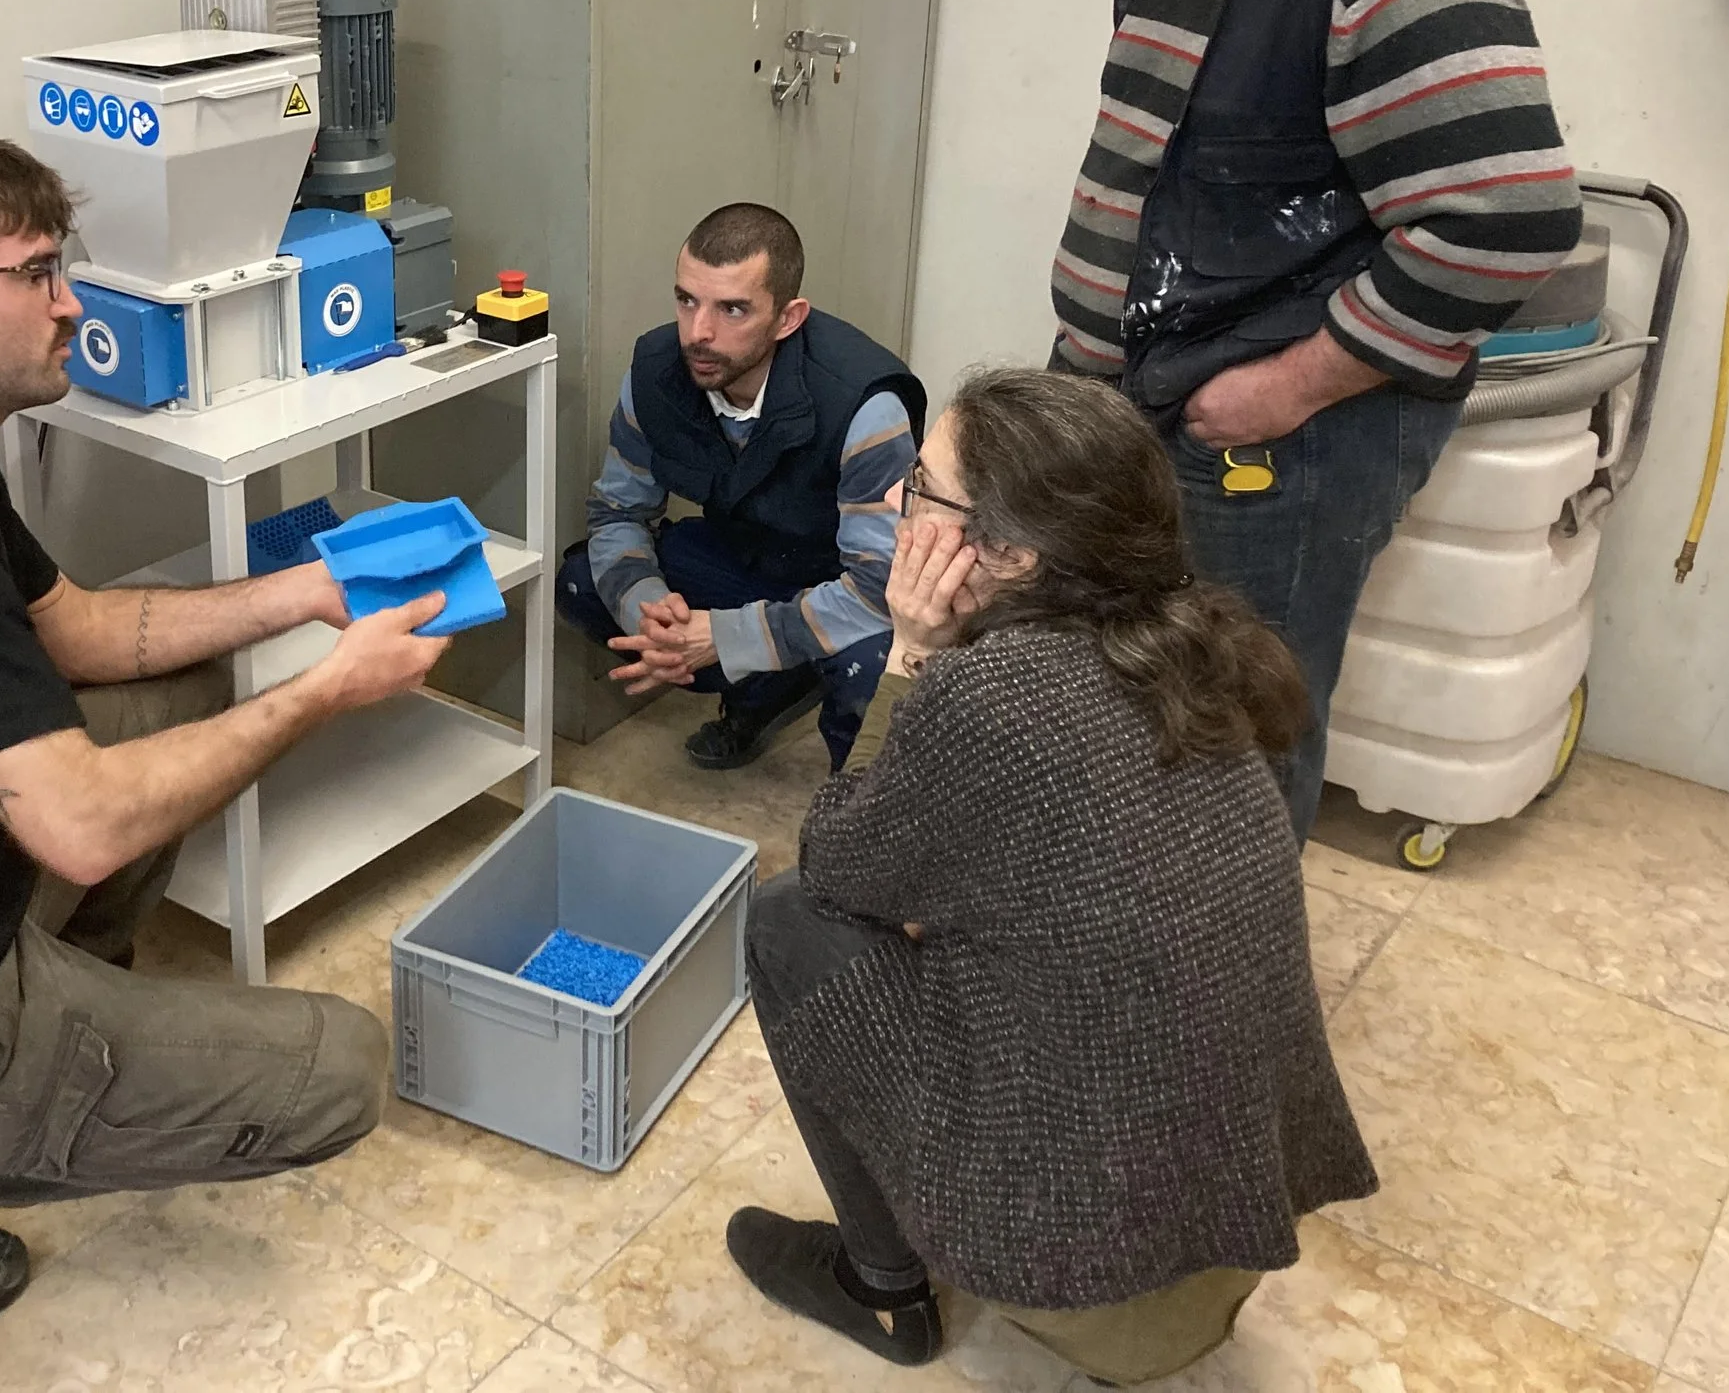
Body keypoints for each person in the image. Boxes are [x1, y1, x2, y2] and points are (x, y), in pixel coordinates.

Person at [0, 137, 450, 1331]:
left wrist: (307, 595)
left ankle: (68, 1028)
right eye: (41, 271)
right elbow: (86, 828)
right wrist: (323, 691)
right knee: (340, 1072)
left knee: (178, 697)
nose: (72, 303)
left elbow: (88, 633)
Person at [727, 367, 1376, 1386]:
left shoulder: (998, 695)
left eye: (924, 491)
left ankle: (881, 1288)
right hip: (1226, 1236)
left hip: (1088, 1277)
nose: (900, 506)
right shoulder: (1199, 642)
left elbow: (841, 867)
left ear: (1015, 551)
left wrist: (908, 653)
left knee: (785, 920)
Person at [1047, 0, 1582, 840]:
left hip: (1271, 447)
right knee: (1147, 725)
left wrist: (1287, 390)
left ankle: (1220, 995)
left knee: (1230, 735)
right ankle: (1144, 950)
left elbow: (1509, 221)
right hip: (1160, 410)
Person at [555, 203, 923, 770]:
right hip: (743, 554)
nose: (698, 333)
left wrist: (727, 637)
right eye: (686, 300)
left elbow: (877, 589)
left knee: (870, 669)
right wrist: (654, 619)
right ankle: (769, 688)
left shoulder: (866, 407)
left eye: (732, 309)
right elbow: (616, 513)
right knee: (583, 582)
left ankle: (852, 817)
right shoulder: (655, 372)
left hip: (839, 580)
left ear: (788, 317)